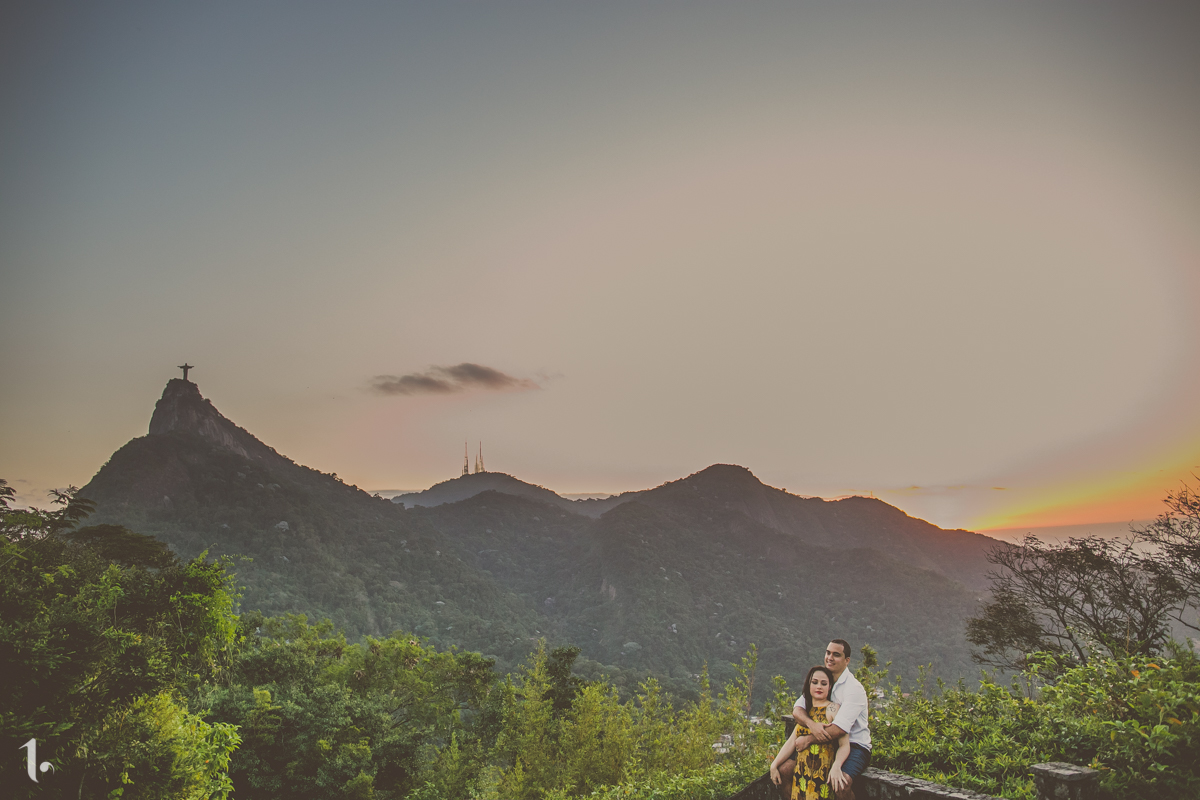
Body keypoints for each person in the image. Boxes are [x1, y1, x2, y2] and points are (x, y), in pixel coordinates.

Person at [777, 640, 871, 800]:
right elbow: (797, 710)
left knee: (841, 784)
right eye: (828, 653)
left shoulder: (853, 689)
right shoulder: (822, 679)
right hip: (823, 741)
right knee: (785, 770)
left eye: (836, 654)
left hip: (854, 745)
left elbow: (839, 729)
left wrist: (808, 739)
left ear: (847, 660)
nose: (830, 658)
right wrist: (811, 724)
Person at [770, 665, 849, 800]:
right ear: (809, 684)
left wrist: (837, 765)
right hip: (800, 776)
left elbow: (844, 745)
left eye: (824, 684)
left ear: (829, 687)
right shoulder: (806, 712)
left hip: (821, 778)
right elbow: (791, 742)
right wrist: (774, 765)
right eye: (815, 682)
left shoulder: (832, 709)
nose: (819, 686)